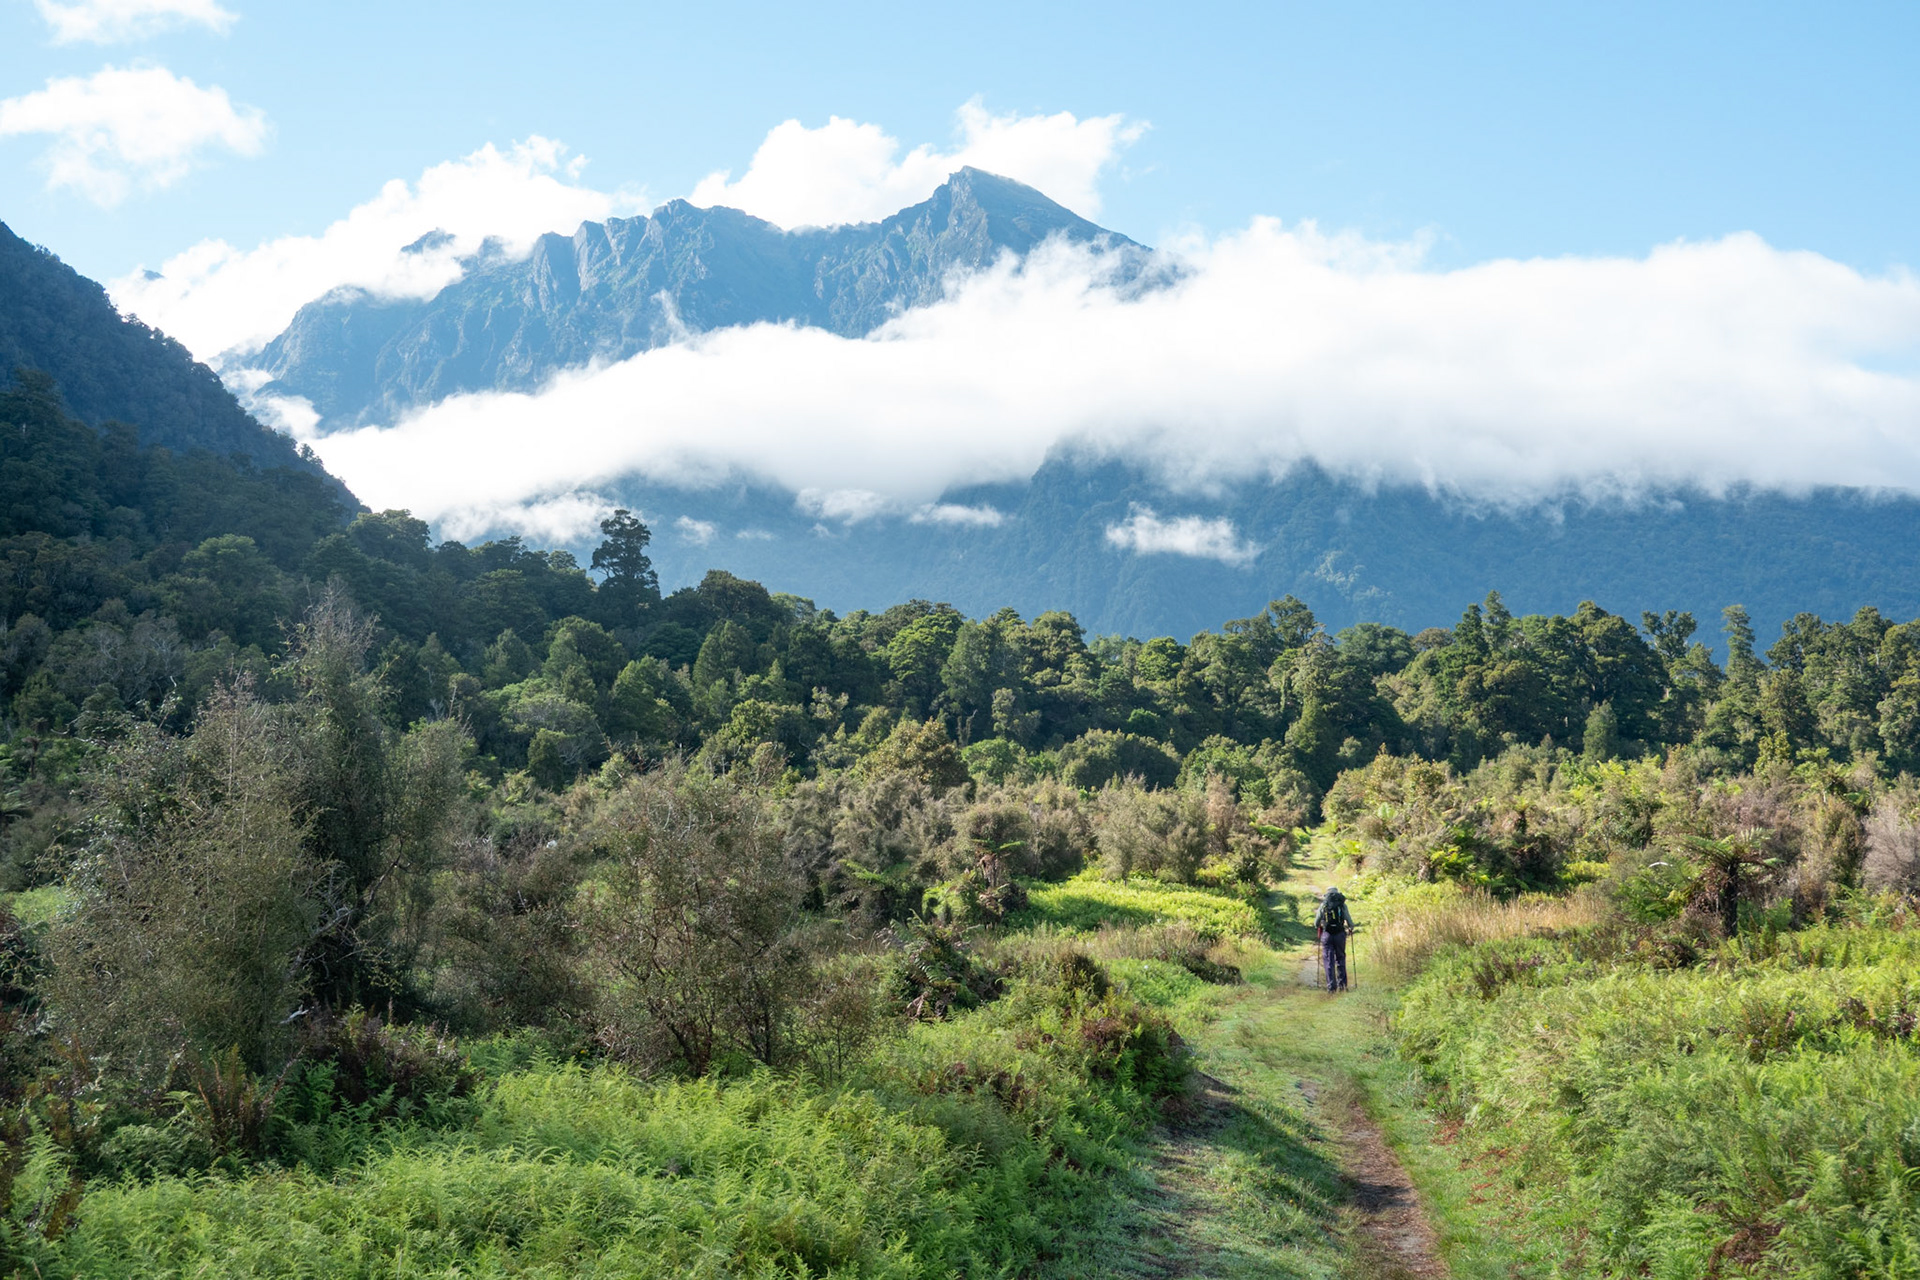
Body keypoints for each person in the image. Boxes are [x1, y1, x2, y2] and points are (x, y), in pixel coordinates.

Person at [1315, 886, 1355, 992]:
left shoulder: (1324, 904)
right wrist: (1351, 927)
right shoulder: (1342, 905)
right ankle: (1342, 985)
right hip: (1340, 934)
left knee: (1329, 960)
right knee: (1340, 959)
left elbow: (1316, 922)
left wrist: (1318, 926)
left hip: (1327, 935)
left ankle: (1331, 987)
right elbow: (1348, 919)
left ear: (1327, 895)